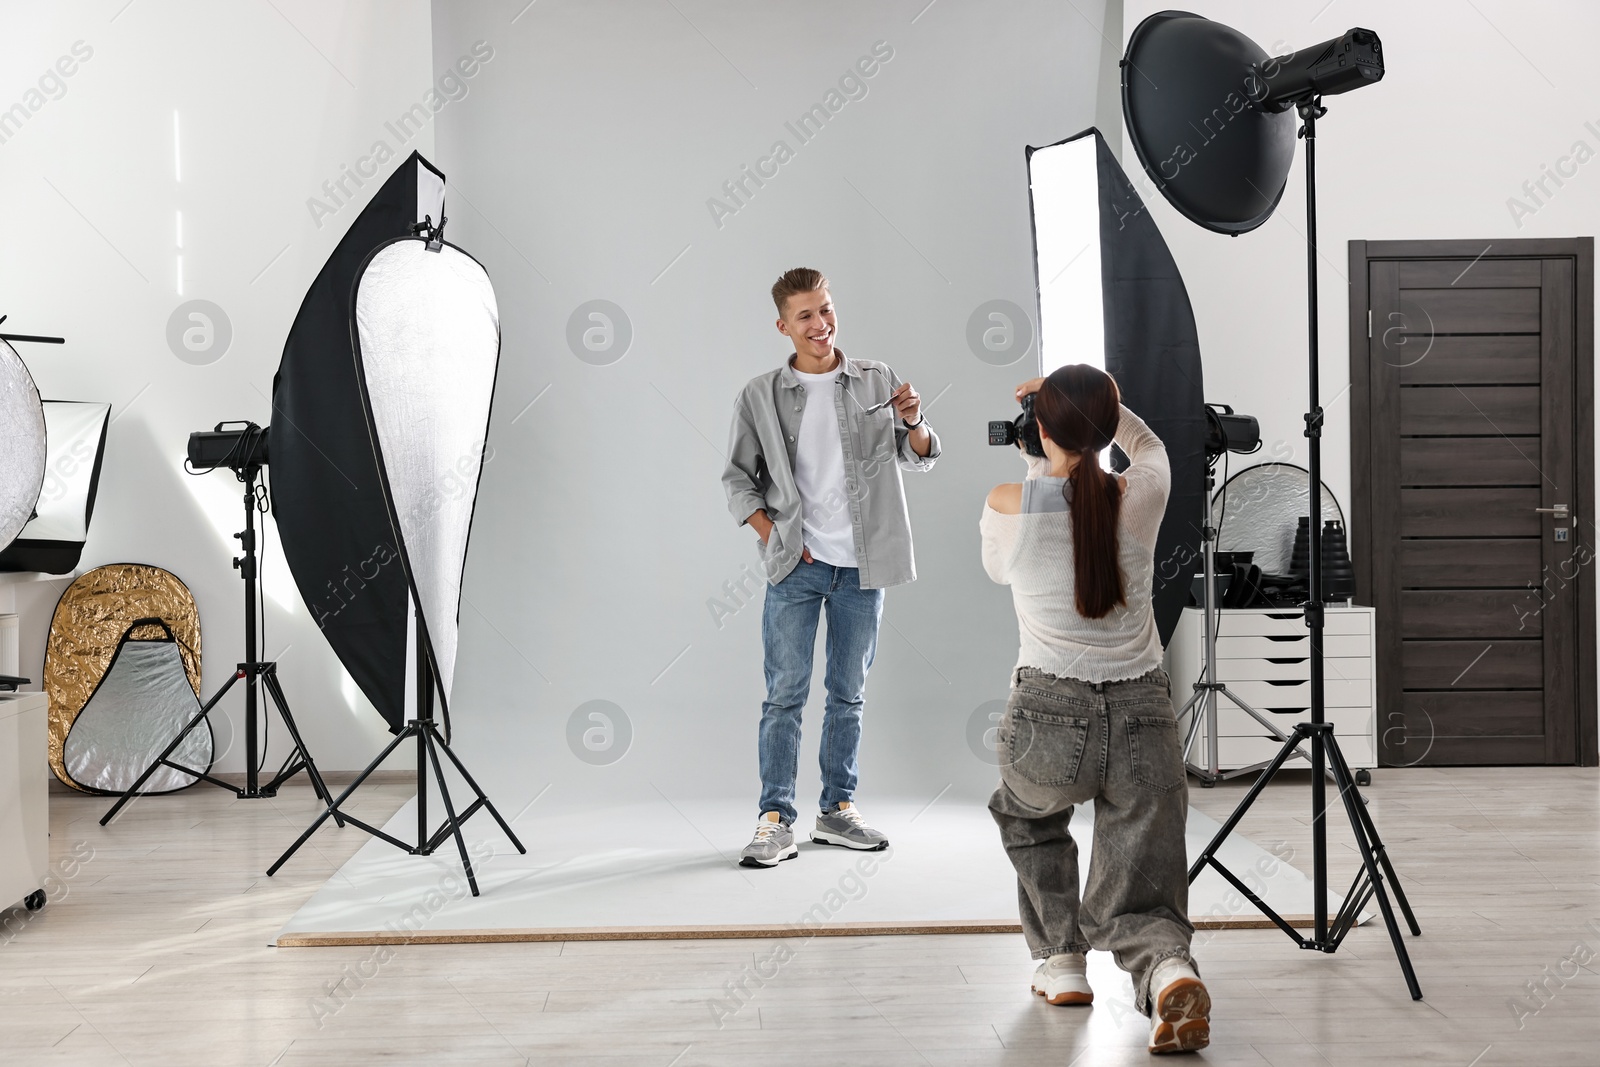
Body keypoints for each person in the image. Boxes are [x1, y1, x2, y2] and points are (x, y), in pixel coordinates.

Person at [979, 365, 1210, 1055]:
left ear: (1039, 428)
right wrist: (1093, 408)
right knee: (1145, 864)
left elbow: (1006, 558)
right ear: (1108, 427)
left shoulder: (1007, 502)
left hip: (1046, 720)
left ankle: (1061, 960)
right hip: (1144, 716)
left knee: (1027, 815)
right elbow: (1149, 448)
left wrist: (1035, 447)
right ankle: (1166, 967)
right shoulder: (1141, 493)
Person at [721, 268, 940, 868]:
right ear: (783, 326)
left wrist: (916, 422)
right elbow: (738, 480)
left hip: (862, 569)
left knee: (848, 694)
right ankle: (774, 820)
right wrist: (777, 540)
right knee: (784, 696)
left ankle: (837, 810)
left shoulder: (877, 379)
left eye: (826, 310)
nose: (820, 325)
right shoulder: (759, 395)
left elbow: (917, 456)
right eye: (805, 316)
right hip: (797, 567)